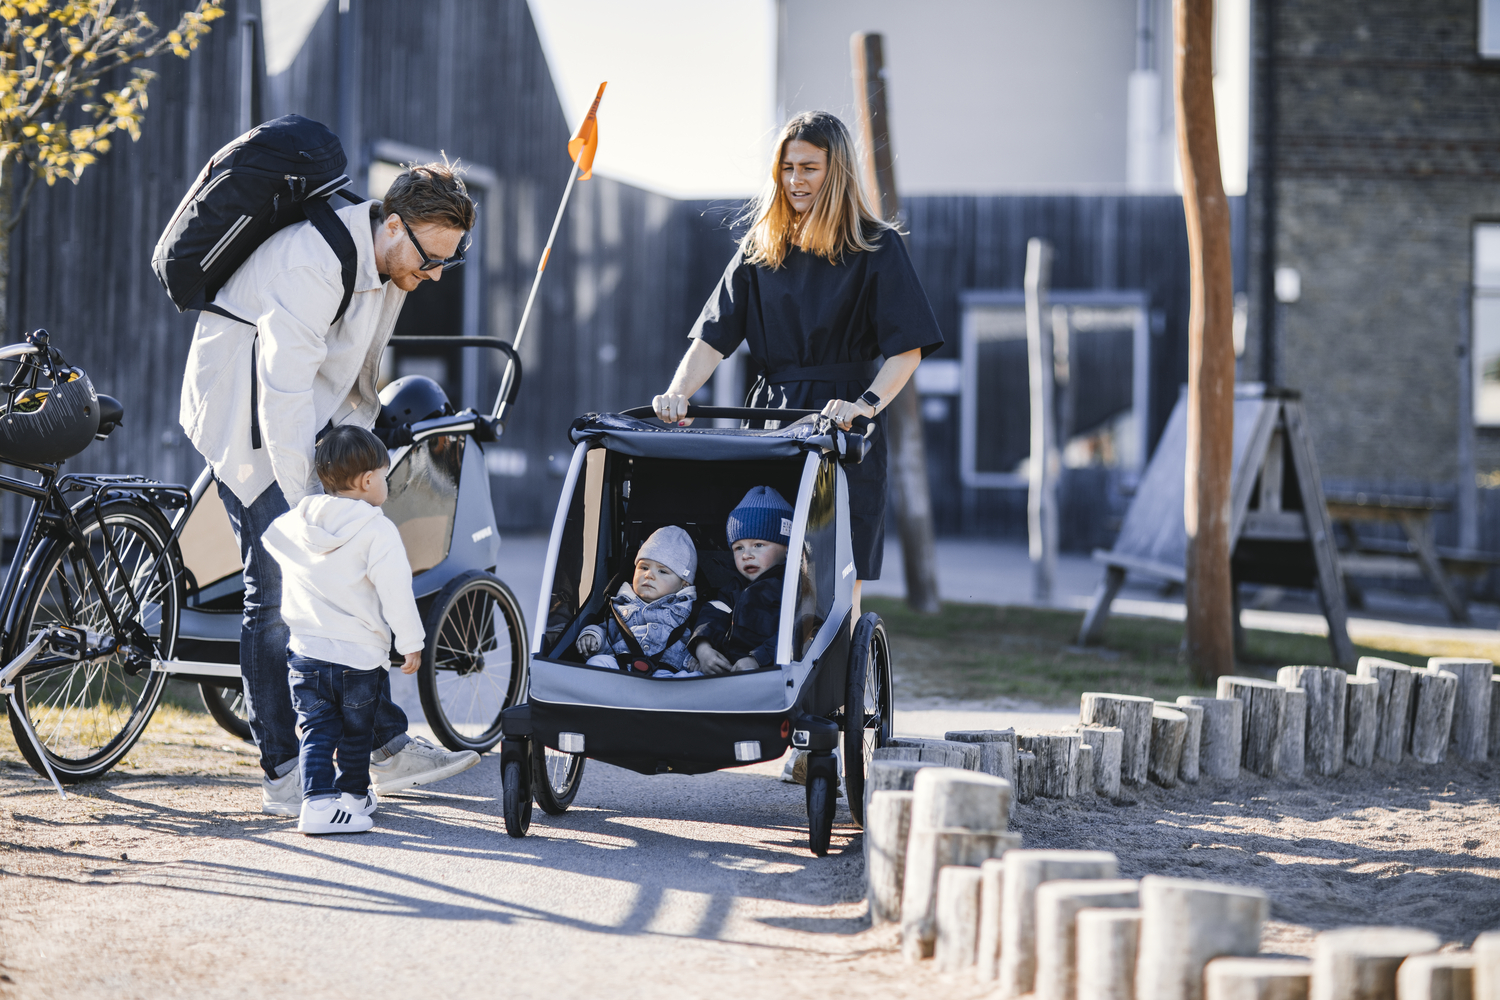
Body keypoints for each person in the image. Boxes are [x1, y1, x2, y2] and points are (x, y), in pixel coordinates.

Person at [180, 164, 481, 816]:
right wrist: (306, 512)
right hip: (245, 418)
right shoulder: (312, 263)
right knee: (277, 591)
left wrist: (363, 471)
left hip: (304, 423)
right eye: (430, 260)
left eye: (445, 265)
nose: (432, 276)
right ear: (393, 224)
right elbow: (280, 395)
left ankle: (385, 750)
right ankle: (284, 774)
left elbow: (363, 375)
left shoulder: (393, 266)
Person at [652, 110, 944, 618]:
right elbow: (712, 338)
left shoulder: (876, 247)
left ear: (838, 172)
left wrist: (866, 406)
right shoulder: (760, 249)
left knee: (833, 569)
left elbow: (907, 350)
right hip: (773, 421)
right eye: (787, 168)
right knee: (764, 555)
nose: (795, 180)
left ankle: (833, 681)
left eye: (809, 168)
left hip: (843, 422)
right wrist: (678, 392)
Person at [262, 426, 424, 835]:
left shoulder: (298, 520)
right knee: (357, 731)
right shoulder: (377, 529)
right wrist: (411, 643)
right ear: (368, 480)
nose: (385, 484)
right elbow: (396, 594)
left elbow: (271, 539)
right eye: (385, 475)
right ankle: (348, 798)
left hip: (307, 652)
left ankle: (321, 799)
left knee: (317, 729)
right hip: (359, 658)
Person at [690, 487, 792, 675]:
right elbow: (711, 617)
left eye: (758, 545)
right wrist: (703, 649)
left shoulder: (791, 588)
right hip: (727, 669)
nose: (746, 555)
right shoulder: (734, 588)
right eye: (738, 548)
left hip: (768, 673)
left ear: (787, 548)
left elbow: (796, 633)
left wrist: (757, 659)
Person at [577, 526, 701, 676]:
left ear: (684, 583)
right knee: (596, 663)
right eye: (643, 567)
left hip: (665, 673)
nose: (648, 575)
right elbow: (607, 630)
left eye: (662, 571)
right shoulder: (621, 605)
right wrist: (593, 636)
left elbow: (693, 641)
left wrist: (696, 658)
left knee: (693, 677)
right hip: (622, 668)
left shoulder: (686, 610)